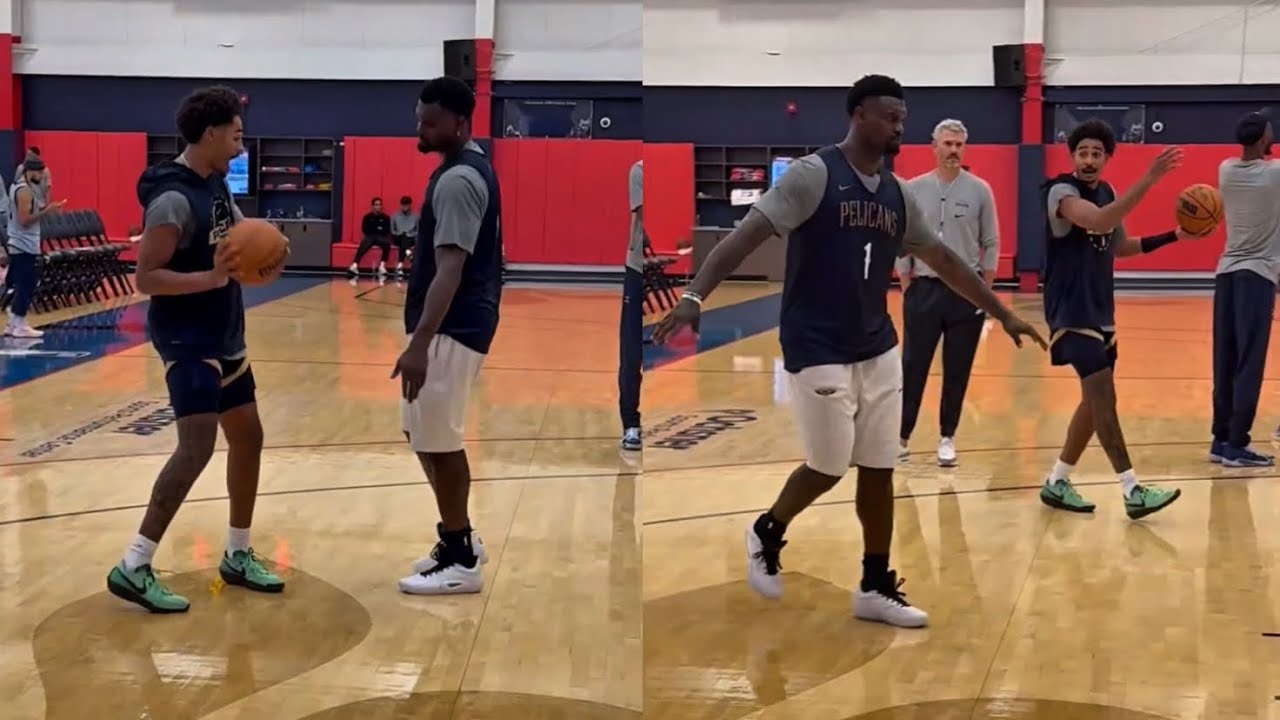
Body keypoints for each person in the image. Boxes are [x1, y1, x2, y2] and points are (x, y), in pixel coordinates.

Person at [651, 74, 1046, 629]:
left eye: (903, 119)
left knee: (880, 465)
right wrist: (694, 294)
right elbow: (745, 235)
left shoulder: (897, 194)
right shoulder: (814, 175)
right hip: (816, 342)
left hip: (876, 341)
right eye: (890, 117)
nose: (899, 127)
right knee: (831, 464)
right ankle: (767, 530)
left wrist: (1002, 311)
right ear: (859, 114)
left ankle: (874, 583)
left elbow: (947, 261)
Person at [106, 86, 284, 614]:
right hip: (187, 339)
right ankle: (134, 564)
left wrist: (271, 249)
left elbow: (239, 245)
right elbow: (146, 278)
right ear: (210, 134)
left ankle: (237, 553)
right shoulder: (173, 200)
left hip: (225, 333)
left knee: (248, 437)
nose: (241, 142)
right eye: (236, 133)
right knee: (196, 448)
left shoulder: (215, 186)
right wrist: (209, 278)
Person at [1038, 119, 1205, 518]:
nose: (1090, 159)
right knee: (1104, 400)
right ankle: (1132, 489)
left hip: (1101, 311)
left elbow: (1120, 245)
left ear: (1107, 158)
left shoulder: (1109, 192)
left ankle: (1057, 481)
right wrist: (1149, 179)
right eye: (1083, 152)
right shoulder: (1060, 192)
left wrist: (1174, 237)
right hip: (1070, 311)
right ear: (1072, 156)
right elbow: (1097, 221)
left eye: (1097, 153)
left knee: (1093, 405)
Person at [392, 76, 503, 596]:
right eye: (418, 118)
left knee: (440, 439)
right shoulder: (462, 168)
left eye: (429, 122)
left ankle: (460, 555)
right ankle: (459, 537)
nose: (420, 127)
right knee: (421, 434)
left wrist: (419, 344)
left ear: (459, 124)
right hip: (452, 324)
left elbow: (451, 268)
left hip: (451, 326)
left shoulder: (459, 179)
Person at [894, 119, 999, 467]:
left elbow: (991, 242)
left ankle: (947, 437)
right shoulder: (912, 189)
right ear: (934, 146)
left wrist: (985, 291)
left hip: (965, 294)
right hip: (923, 290)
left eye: (959, 145)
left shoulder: (980, 190)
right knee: (913, 366)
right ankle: (901, 436)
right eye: (947, 144)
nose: (953, 150)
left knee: (957, 368)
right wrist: (907, 282)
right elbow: (904, 240)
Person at [1210, 112, 1280, 467]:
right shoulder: (1274, 174)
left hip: (1226, 275)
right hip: (1257, 277)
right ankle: (1237, 443)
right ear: (1263, 139)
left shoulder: (1226, 170)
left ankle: (1220, 438)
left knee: (1224, 362)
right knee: (1248, 364)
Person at [5, 159, 64, 338]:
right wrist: (47, 211)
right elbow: (25, 220)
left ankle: (13, 322)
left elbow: (29, 213)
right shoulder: (24, 191)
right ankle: (19, 322)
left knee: (20, 282)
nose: (42, 177)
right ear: (32, 172)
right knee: (27, 283)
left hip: (21, 242)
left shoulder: (20, 187)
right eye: (40, 174)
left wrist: (47, 207)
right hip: (23, 243)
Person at [619, 160, 644, 451]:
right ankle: (631, 424)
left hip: (671, 267)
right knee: (631, 353)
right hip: (638, 269)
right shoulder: (640, 170)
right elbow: (645, 215)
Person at [348, 197, 393, 276]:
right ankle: (355, 265)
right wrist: (378, 228)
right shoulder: (367, 217)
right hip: (370, 236)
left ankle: (382, 267)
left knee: (387, 243)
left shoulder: (386, 218)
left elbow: (386, 230)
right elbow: (365, 230)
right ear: (373, 206)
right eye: (376, 205)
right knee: (364, 243)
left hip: (381, 237)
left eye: (380, 205)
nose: (378, 206)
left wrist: (376, 229)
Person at [391, 195, 419, 276]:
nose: (405, 207)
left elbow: (418, 231)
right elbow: (392, 231)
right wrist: (400, 233)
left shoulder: (416, 217)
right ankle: (411, 259)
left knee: (405, 240)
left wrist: (410, 234)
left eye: (406, 204)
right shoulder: (395, 216)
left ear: (410, 205)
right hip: (398, 237)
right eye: (403, 204)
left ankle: (400, 265)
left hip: (411, 238)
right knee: (403, 238)